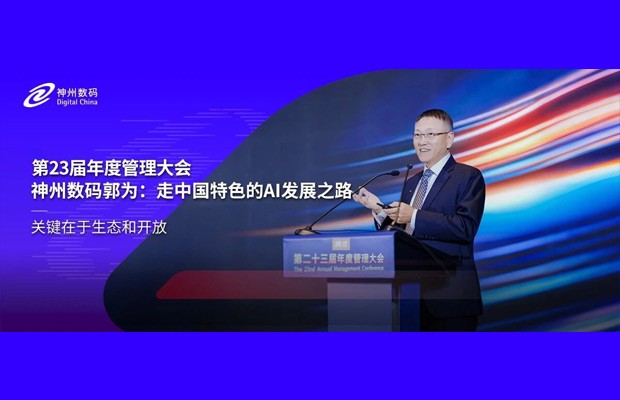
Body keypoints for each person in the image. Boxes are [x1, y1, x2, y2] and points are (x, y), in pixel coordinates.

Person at [353, 109, 485, 331]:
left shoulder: (468, 176)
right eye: (417, 135)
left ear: (449, 139)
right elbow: (405, 236)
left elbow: (465, 228)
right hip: (410, 297)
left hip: (450, 297)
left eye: (430, 134)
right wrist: (380, 210)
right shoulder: (412, 182)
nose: (422, 142)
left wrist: (413, 215)